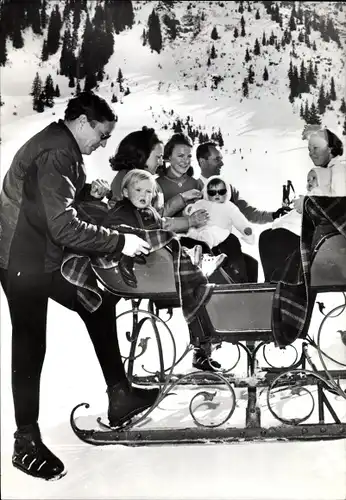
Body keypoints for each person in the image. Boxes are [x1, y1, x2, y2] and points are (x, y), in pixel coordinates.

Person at [0, 91, 160, 481]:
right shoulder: (56, 153)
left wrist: (88, 193)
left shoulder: (65, 150)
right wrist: (119, 241)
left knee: (95, 301)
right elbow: (62, 224)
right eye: (102, 134)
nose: (103, 143)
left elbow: (56, 204)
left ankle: (120, 395)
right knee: (30, 339)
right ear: (83, 122)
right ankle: (26, 441)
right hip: (22, 258)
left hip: (42, 255)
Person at [103, 169, 226, 371]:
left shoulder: (150, 211)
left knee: (201, 271)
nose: (144, 196)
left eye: (149, 192)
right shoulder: (120, 213)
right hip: (148, 274)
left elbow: (162, 228)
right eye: (139, 190)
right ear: (125, 192)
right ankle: (203, 344)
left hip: (160, 267)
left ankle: (205, 346)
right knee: (198, 284)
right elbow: (119, 233)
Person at [259, 128, 345, 282]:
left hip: (330, 240)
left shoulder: (339, 171)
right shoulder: (325, 171)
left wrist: (306, 203)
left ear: (330, 149)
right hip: (320, 233)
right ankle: (274, 285)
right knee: (267, 237)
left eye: (316, 148)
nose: (311, 153)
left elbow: (340, 206)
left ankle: (281, 285)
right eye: (309, 149)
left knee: (277, 239)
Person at [195, 141, 287, 282]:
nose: (221, 164)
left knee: (252, 265)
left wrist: (273, 215)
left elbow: (247, 212)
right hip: (207, 248)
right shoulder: (194, 188)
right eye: (217, 159)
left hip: (226, 245)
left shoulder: (228, 189)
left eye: (221, 159)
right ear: (202, 162)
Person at [183, 175, 255, 282]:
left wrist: (246, 230)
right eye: (212, 193)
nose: (217, 195)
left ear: (226, 192)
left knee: (211, 234)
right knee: (189, 234)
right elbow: (191, 211)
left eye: (221, 192)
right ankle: (190, 253)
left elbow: (239, 219)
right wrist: (188, 211)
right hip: (199, 229)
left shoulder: (229, 206)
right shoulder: (201, 203)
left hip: (219, 230)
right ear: (207, 193)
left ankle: (205, 258)